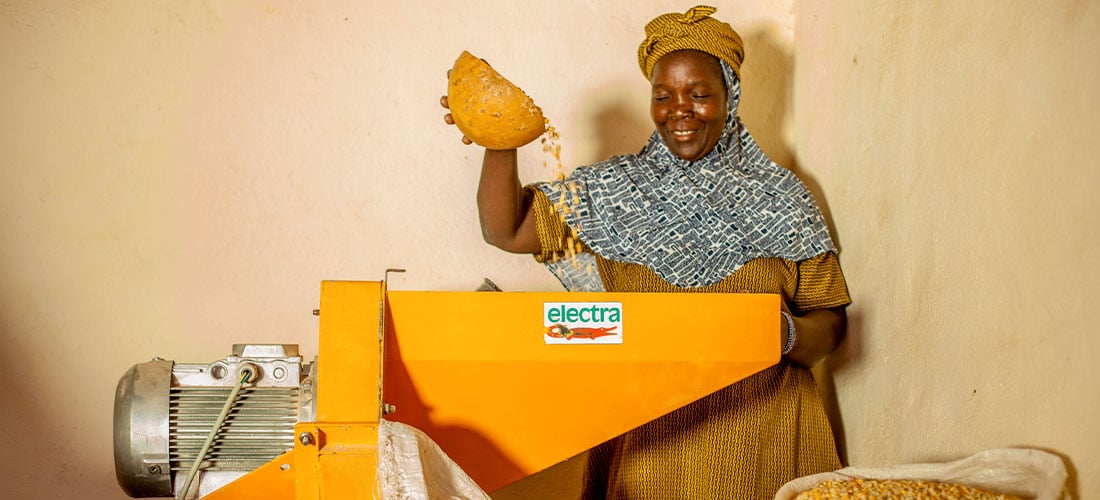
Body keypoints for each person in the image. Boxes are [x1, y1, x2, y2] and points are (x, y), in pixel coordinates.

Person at [443, 5, 849, 499]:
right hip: (648, 450)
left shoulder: (783, 198)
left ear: (730, 97)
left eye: (699, 94)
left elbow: (830, 320)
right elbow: (505, 228)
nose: (679, 109)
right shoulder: (613, 191)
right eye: (664, 96)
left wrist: (786, 334)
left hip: (769, 442)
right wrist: (497, 139)